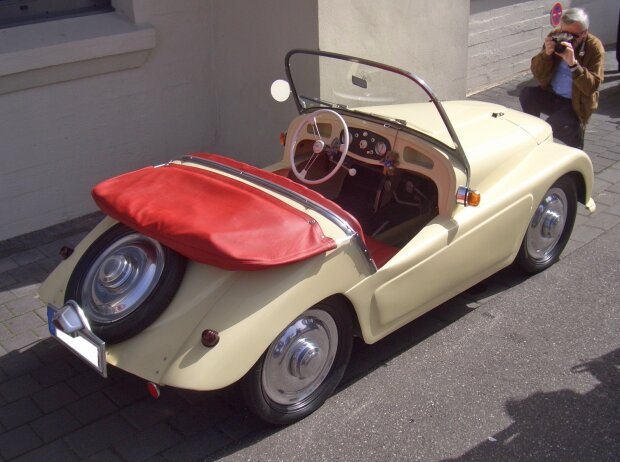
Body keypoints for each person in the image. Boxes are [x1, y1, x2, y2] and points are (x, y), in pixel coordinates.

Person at [519, 8, 604, 149]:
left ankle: (574, 140)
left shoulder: (594, 47)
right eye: (564, 33)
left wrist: (574, 65)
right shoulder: (555, 36)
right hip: (552, 94)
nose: (567, 39)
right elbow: (537, 73)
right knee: (528, 94)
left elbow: (592, 87)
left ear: (584, 33)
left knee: (551, 127)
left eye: (573, 36)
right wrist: (546, 54)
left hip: (575, 104)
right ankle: (532, 136)